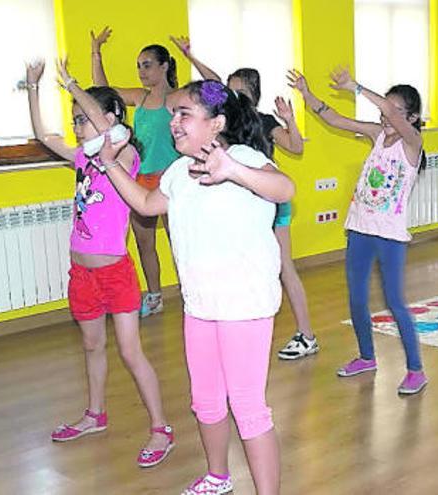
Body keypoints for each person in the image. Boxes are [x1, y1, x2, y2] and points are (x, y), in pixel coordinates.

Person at [100, 79, 294, 495]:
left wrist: (233, 171)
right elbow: (148, 205)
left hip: (245, 305)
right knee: (205, 399)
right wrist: (110, 164)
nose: (174, 122)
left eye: (184, 114)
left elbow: (284, 189)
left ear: (216, 123)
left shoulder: (242, 157)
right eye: (173, 114)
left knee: (247, 408)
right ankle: (218, 476)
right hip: (201, 304)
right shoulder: (178, 171)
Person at [24, 60, 172, 468]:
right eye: (75, 120)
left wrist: (72, 85)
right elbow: (41, 134)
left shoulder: (123, 159)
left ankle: (161, 428)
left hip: (115, 273)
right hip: (82, 273)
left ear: (110, 120)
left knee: (130, 351)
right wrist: (33, 88)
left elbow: (105, 131)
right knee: (92, 345)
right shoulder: (81, 159)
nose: (77, 125)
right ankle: (95, 415)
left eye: (83, 119)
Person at [170, 35, 319, 360]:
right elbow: (211, 83)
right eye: (229, 88)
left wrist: (291, 119)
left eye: (238, 89)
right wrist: (191, 55)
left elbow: (296, 148)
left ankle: (306, 333)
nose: (231, 93)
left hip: (268, 200)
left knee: (284, 265)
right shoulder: (222, 125)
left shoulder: (263, 122)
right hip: (236, 206)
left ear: (252, 92)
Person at [289, 67, 428, 395]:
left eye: (392, 111)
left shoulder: (412, 142)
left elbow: (391, 114)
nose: (384, 117)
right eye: (384, 110)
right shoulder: (377, 135)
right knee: (356, 298)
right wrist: (308, 96)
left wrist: (357, 87)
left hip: (390, 236)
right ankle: (367, 357)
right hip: (360, 228)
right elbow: (337, 120)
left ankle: (415, 370)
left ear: (412, 116)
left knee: (395, 301)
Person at [91, 27, 181, 317]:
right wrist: (96, 52)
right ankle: (154, 296)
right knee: (145, 245)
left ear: (164, 66)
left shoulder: (177, 99)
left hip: (170, 180)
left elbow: (214, 89)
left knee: (180, 243)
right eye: (139, 66)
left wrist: (192, 54)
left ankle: (190, 292)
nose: (142, 71)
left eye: (147, 65)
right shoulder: (139, 98)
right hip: (141, 182)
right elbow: (102, 93)